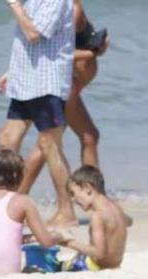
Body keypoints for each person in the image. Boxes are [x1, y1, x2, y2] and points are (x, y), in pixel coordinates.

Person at [0, 0, 76, 227]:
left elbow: (34, 34)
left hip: (47, 82)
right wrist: (12, 71)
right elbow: (26, 40)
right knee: (7, 140)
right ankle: (3, 203)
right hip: (24, 81)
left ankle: (66, 210)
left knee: (50, 146)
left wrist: (14, 5)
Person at [20, 0, 109, 193]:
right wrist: (91, 53)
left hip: (68, 85)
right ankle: (93, 197)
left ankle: (18, 195)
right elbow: (57, 51)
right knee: (78, 139)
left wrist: (97, 48)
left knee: (49, 143)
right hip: (66, 85)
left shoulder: (71, 6)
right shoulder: (71, 9)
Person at [60, 166, 130, 270]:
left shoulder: (97, 216)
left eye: (73, 194)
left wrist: (68, 242)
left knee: (55, 266)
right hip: (115, 265)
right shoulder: (116, 207)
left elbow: (99, 253)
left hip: (97, 266)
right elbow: (129, 221)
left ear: (88, 188)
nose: (73, 200)